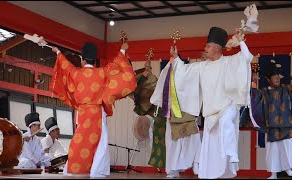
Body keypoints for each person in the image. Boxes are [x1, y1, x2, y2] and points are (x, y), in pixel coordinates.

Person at [154, 26, 254, 179]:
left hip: (228, 106)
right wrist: (176, 57)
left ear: (217, 48)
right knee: (211, 147)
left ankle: (232, 153)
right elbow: (183, 71)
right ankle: (211, 174)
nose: (205, 48)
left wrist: (241, 42)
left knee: (226, 121)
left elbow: (246, 58)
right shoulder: (202, 66)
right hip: (210, 114)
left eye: (208, 46)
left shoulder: (229, 61)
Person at [49, 42, 137, 178]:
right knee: (100, 141)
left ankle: (74, 168)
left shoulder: (76, 73)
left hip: (83, 112)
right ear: (95, 60)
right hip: (97, 112)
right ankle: (98, 171)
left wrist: (58, 53)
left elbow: (66, 66)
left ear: (83, 60)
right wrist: (122, 51)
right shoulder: (101, 72)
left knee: (79, 140)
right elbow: (116, 65)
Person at [251, 64, 292, 179]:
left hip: (286, 123)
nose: (277, 78)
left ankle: (288, 168)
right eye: (274, 77)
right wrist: (253, 82)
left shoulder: (286, 89)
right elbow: (254, 99)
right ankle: (273, 173)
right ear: (269, 80)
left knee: (287, 147)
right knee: (272, 150)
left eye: (278, 76)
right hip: (271, 126)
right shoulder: (264, 91)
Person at [150, 52, 202, 177]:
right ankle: (172, 169)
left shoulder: (190, 72)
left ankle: (197, 165)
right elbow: (162, 85)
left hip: (187, 114)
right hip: (172, 114)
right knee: (172, 143)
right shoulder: (167, 71)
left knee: (193, 142)